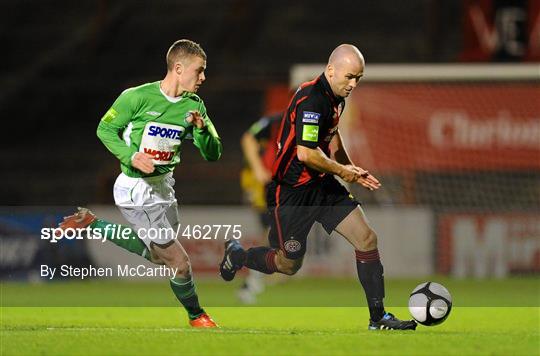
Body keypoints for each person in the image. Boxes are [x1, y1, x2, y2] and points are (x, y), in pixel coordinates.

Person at [220, 44, 417, 330]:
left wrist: (351, 168)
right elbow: (306, 153)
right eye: (349, 77)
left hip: (322, 186)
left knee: (367, 239)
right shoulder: (311, 100)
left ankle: (379, 318)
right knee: (289, 265)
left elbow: (333, 139)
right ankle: (238, 255)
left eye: (358, 78)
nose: (353, 84)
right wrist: (342, 172)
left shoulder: (337, 97)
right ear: (331, 70)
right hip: (292, 193)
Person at [59, 39, 221, 328]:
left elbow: (213, 154)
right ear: (179, 68)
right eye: (200, 71)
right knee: (179, 263)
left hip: (164, 188)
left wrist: (203, 130)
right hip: (137, 190)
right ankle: (198, 317)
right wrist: (131, 156)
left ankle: (93, 223)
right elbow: (105, 128)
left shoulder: (194, 105)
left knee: (161, 257)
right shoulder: (136, 97)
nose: (203, 78)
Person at [238, 112, 282, 303]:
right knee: (273, 232)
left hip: (279, 186)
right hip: (266, 186)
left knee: (275, 234)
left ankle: (254, 278)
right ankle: (252, 278)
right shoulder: (274, 122)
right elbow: (248, 137)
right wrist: (258, 169)